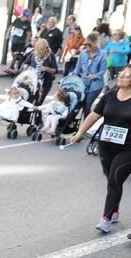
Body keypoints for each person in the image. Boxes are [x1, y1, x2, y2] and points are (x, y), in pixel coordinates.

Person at [69, 65, 131, 233]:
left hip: (127, 149)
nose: (122, 77)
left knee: (114, 179)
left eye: (127, 75)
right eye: (121, 74)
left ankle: (106, 218)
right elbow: (94, 115)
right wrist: (80, 132)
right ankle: (115, 210)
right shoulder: (109, 96)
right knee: (112, 180)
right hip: (106, 145)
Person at [72, 32, 107, 117]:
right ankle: (70, 124)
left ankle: (86, 126)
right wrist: (73, 75)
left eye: (89, 45)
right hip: (83, 83)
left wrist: (95, 76)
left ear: (95, 43)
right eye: (85, 44)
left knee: (87, 105)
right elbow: (78, 68)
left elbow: (103, 70)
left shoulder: (102, 54)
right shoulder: (83, 53)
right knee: (76, 104)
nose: (87, 46)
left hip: (96, 85)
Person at [22, 38, 58, 106]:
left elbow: (55, 70)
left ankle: (37, 114)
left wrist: (46, 69)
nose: (41, 53)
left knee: (38, 103)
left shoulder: (50, 55)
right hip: (33, 82)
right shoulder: (33, 54)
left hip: (45, 83)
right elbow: (26, 63)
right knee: (29, 101)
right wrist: (26, 67)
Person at [5, 10, 32, 74]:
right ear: (23, 16)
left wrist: (28, 41)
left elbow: (29, 33)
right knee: (13, 53)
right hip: (14, 40)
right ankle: (15, 64)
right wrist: (7, 34)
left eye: (28, 17)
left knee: (17, 53)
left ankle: (14, 67)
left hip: (21, 41)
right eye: (27, 17)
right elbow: (10, 26)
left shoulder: (27, 23)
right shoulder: (17, 20)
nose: (27, 18)